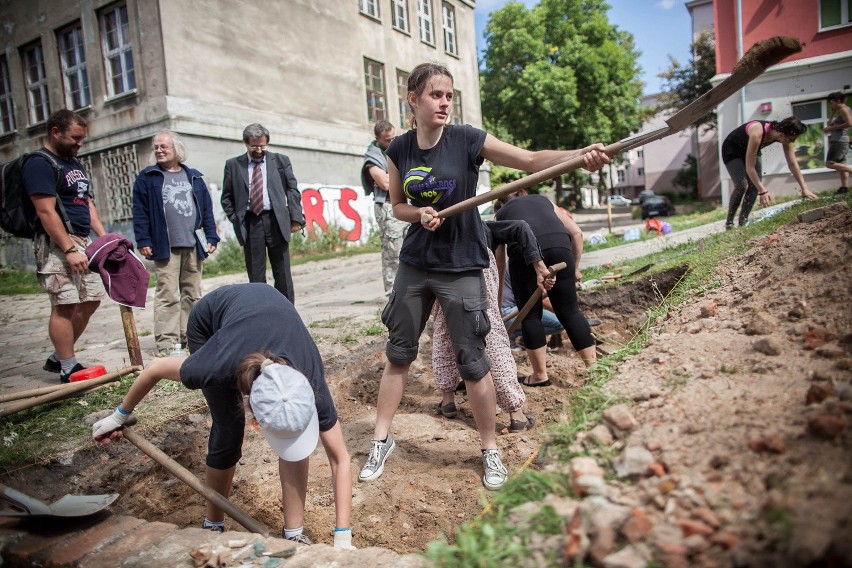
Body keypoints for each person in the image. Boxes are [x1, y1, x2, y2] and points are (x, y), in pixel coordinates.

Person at [357, 62, 608, 491]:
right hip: (417, 263)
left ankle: (489, 448)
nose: (445, 102)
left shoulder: (467, 139)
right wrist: (419, 213)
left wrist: (576, 155)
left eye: (450, 95)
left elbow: (529, 160)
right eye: (436, 95)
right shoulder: (398, 148)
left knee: (474, 362)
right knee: (399, 353)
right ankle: (380, 440)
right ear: (412, 99)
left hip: (462, 263)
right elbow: (398, 204)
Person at [92, 283, 354, 548]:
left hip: (268, 310)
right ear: (255, 413)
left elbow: (340, 458)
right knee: (228, 428)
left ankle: (294, 532)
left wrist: (342, 537)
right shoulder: (215, 365)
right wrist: (119, 415)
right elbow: (156, 368)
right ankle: (212, 525)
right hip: (210, 323)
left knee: (293, 443)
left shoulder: (311, 382)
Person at [432, 220, 546, 433]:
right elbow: (521, 226)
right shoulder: (477, 222)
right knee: (491, 334)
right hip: (474, 261)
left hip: (437, 262)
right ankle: (516, 414)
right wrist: (539, 265)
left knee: (443, 330)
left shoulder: (430, 215)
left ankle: (447, 401)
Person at [23, 109, 106, 384]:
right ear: (55, 132)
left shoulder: (74, 163)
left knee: (91, 299)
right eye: (75, 137)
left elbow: (87, 202)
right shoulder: (40, 163)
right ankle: (68, 366)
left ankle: (59, 356)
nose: (79, 143)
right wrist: (69, 249)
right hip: (57, 243)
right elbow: (45, 211)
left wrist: (103, 237)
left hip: (82, 240)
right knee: (65, 303)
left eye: (82, 138)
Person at [496, 188, 597, 387]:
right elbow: (577, 233)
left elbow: (500, 263)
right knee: (570, 311)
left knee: (530, 316)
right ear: (523, 193)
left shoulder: (501, 215)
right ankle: (595, 370)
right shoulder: (544, 201)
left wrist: (497, 299)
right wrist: (575, 268)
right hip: (560, 247)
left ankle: (540, 375)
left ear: (501, 203)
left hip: (524, 255)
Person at [132, 130, 219, 355]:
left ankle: (190, 338)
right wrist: (143, 240)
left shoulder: (195, 177)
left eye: (164, 147)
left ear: (177, 150)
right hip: (165, 246)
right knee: (168, 294)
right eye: (156, 147)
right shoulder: (148, 177)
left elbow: (206, 211)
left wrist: (211, 237)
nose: (159, 150)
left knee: (192, 293)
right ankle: (167, 344)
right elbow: (139, 212)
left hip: (193, 244)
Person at [221, 124, 305, 303]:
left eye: (262, 146)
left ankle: (287, 312)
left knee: (282, 272)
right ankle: (261, 312)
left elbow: (292, 189)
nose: (259, 150)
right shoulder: (233, 165)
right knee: (256, 275)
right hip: (251, 223)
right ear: (246, 144)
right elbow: (226, 198)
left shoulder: (280, 161)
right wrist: (236, 220)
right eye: (254, 146)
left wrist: (296, 217)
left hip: (276, 221)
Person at [721, 116, 818, 230]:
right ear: (783, 134)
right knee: (742, 185)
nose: (792, 142)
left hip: (751, 149)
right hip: (732, 149)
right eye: (791, 139)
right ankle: (729, 223)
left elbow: (792, 163)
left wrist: (804, 188)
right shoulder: (757, 132)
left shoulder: (783, 135)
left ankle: (743, 222)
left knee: (755, 186)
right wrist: (763, 191)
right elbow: (750, 167)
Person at [361, 120, 408, 294]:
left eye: (393, 138)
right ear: (377, 139)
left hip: (405, 205)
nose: (391, 142)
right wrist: (405, 177)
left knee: (408, 248)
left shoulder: (398, 149)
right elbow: (385, 183)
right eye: (387, 140)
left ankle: (406, 290)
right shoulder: (373, 156)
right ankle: (393, 293)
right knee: (392, 252)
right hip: (387, 207)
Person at [823, 92, 851, 194]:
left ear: (838, 101)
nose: (831, 105)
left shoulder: (844, 109)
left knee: (829, 163)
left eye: (832, 103)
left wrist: (831, 128)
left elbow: (849, 123)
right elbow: (829, 123)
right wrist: (833, 112)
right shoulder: (841, 111)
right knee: (841, 164)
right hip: (840, 141)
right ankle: (844, 188)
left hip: (838, 141)